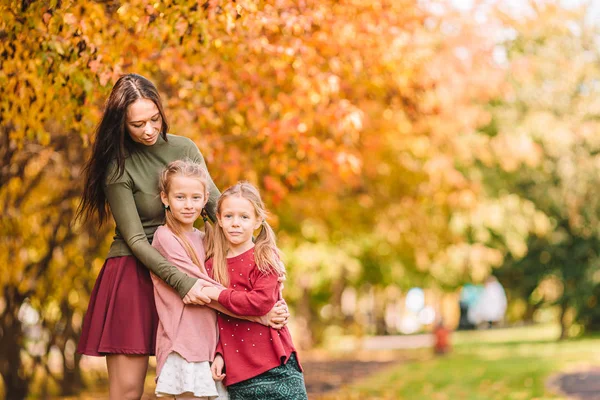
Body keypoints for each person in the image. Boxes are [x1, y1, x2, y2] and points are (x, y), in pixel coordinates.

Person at [75, 74, 287, 400]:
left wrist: (263, 262)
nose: (148, 130)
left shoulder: (183, 147)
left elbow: (217, 208)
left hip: (192, 262)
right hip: (134, 273)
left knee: (198, 383)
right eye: (137, 124)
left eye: (154, 119)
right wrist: (184, 283)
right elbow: (135, 240)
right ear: (121, 124)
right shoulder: (117, 167)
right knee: (128, 390)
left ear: (161, 111)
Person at [151, 160, 287, 399]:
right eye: (180, 197)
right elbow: (204, 291)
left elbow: (229, 287)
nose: (188, 205)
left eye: (195, 198)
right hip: (185, 343)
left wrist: (274, 293)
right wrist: (261, 315)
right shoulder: (165, 237)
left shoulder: (206, 239)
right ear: (165, 198)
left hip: (211, 343)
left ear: (205, 199)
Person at [201, 182, 309, 400]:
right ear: (219, 220)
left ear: (257, 221)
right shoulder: (212, 265)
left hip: (277, 364)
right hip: (239, 369)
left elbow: (259, 303)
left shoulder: (265, 257)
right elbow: (219, 317)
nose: (235, 224)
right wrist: (220, 352)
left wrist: (218, 294)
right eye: (229, 216)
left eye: (244, 217)